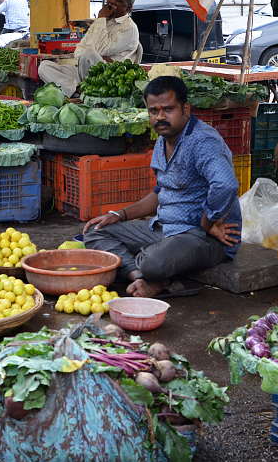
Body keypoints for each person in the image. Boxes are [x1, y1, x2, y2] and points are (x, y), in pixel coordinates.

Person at [83, 76, 242, 298]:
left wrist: (208, 221)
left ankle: (150, 273)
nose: (160, 117)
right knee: (95, 231)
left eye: (168, 109)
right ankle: (140, 278)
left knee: (153, 262)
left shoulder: (203, 142)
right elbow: (160, 192)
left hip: (201, 237)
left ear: (185, 109)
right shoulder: (163, 140)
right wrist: (120, 215)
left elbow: (225, 184)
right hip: (164, 228)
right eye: (153, 111)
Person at [38, 0, 141, 97]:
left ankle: (77, 89)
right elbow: (80, 49)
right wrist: (94, 54)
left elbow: (98, 50)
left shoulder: (129, 28)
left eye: (118, 0)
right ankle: (76, 90)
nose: (112, 1)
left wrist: (101, 19)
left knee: (88, 53)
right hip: (86, 69)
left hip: (109, 76)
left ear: (128, 8)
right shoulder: (105, 21)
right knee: (44, 66)